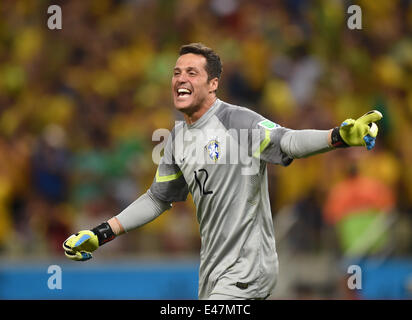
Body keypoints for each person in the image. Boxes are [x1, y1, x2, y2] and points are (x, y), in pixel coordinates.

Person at [63, 43, 383, 300]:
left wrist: (338, 136)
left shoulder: (237, 122)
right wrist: (101, 233)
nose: (180, 79)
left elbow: (288, 141)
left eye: (192, 72)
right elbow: (157, 199)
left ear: (213, 84)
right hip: (215, 271)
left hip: (247, 269)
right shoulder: (177, 140)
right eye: (176, 73)